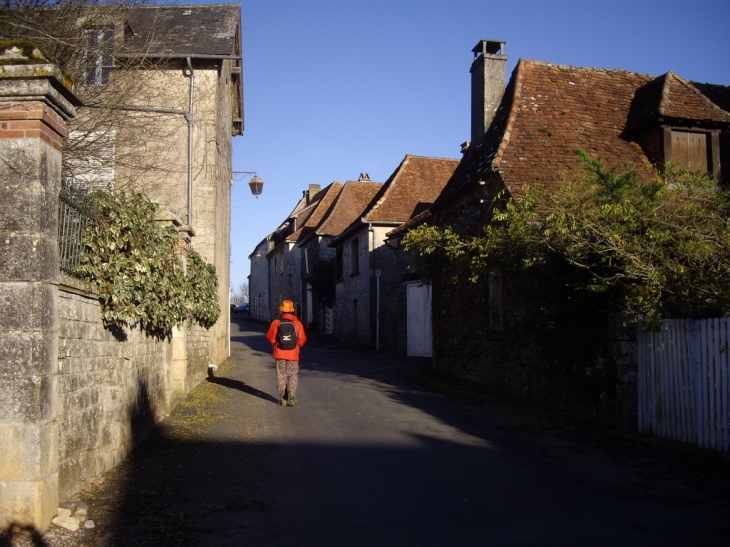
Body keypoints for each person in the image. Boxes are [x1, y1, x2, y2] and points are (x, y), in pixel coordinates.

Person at [266, 300, 307, 406]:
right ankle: (292, 391)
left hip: (280, 353)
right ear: (292, 311)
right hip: (293, 354)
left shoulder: (276, 323)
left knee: (281, 375)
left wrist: (276, 344)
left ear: (282, 311)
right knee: (293, 374)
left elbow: (270, 338)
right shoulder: (298, 324)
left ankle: (282, 397)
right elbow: (302, 339)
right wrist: (296, 347)